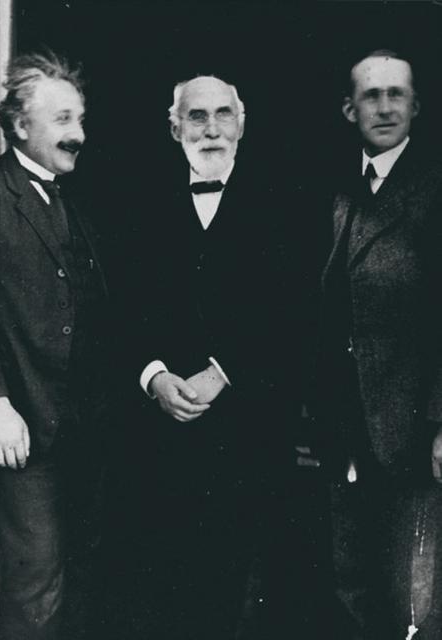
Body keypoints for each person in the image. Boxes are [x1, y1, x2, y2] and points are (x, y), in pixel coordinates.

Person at [101, 75, 305, 640]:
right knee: (164, 584)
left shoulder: (284, 202)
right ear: (174, 129)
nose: (211, 128)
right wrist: (154, 377)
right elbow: (119, 308)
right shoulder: (139, 205)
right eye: (196, 116)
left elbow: (296, 309)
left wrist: (222, 373)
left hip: (250, 429)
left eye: (222, 114)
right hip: (161, 431)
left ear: (242, 125)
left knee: (246, 591)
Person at [0, 50, 108, 640]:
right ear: (20, 124)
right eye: (62, 119)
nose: (79, 134)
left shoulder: (76, 197)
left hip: (86, 423)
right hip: (25, 424)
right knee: (37, 583)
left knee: (87, 570)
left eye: (80, 118)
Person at [319, 49, 442, 639]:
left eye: (397, 94)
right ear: (350, 109)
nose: (385, 106)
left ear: (416, 106)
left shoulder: (434, 189)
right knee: (353, 585)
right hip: (348, 429)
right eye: (372, 95)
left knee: (414, 601)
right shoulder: (339, 191)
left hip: (415, 432)